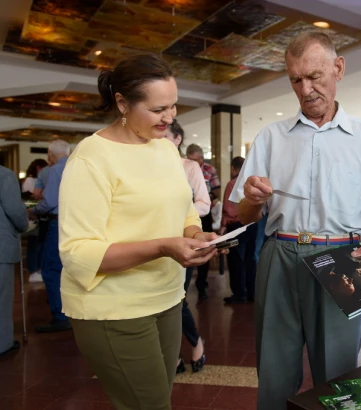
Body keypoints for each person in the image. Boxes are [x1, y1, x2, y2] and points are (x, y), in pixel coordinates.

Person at [230, 32, 361, 409]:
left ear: (338, 68)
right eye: (295, 79)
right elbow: (243, 214)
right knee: (274, 369)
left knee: (338, 372)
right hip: (280, 254)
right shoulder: (271, 137)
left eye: (315, 76)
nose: (306, 89)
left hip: (342, 257)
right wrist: (253, 199)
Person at [58, 54, 220, 409]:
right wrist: (163, 246)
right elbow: (78, 252)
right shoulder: (92, 158)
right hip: (115, 307)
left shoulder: (164, 148)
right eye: (158, 108)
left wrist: (195, 235)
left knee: (158, 399)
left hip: (167, 298)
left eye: (174, 106)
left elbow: (185, 208)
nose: (170, 117)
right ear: (122, 103)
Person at [164, 119, 209, 373]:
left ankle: (195, 342)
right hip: (156, 242)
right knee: (163, 301)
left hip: (185, 237)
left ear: (177, 139)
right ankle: (174, 354)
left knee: (178, 298)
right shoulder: (150, 166)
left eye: (164, 135)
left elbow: (203, 203)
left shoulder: (189, 167)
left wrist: (181, 213)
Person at [28, 139, 71, 332]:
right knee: (68, 269)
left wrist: (34, 211)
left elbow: (50, 201)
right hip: (76, 223)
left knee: (50, 269)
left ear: (50, 154)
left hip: (59, 222)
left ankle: (60, 316)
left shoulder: (54, 170)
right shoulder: (77, 167)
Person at [186, 143, 221, 300]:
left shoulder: (209, 170)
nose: (193, 162)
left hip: (203, 214)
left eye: (196, 159)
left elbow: (217, 190)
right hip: (185, 211)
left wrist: (206, 200)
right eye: (190, 159)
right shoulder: (183, 167)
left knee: (204, 246)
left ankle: (202, 283)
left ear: (201, 158)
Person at [0, 165, 28, 357]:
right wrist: (24, 225)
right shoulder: (4, 175)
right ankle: (2, 343)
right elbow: (14, 209)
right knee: (2, 298)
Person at [221, 156, 258, 304]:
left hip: (236, 226)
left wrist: (222, 227)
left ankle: (239, 294)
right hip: (252, 225)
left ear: (233, 168)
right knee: (250, 259)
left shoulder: (232, 184)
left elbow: (229, 210)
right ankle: (251, 292)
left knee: (236, 260)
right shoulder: (253, 184)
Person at [22, 159, 48, 283]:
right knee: (33, 244)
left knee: (39, 244)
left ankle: (38, 269)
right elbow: (31, 196)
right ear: (38, 168)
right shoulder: (30, 180)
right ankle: (32, 269)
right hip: (33, 214)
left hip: (41, 215)